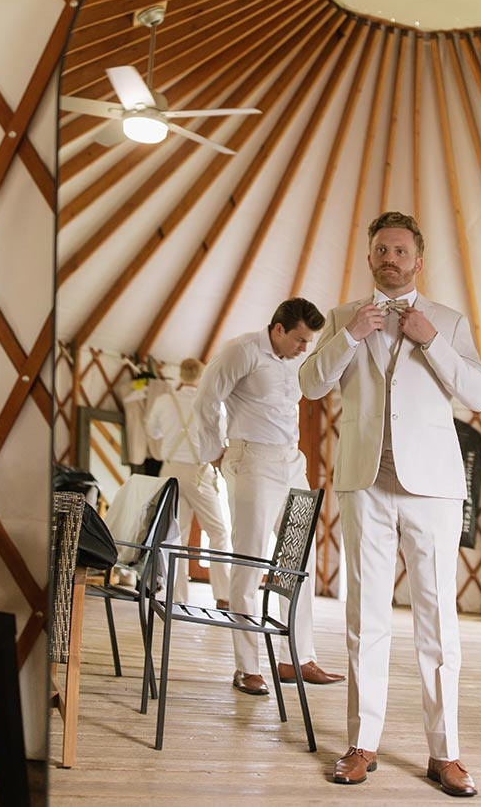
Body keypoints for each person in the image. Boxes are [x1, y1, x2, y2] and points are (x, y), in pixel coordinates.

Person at [299, 212, 481, 797]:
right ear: (369, 258)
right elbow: (309, 384)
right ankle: (362, 743)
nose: (390, 257)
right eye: (381, 248)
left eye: (401, 250)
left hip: (431, 487)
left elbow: (480, 395)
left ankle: (446, 753)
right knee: (365, 618)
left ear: (418, 260)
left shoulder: (450, 322)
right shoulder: (341, 319)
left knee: (438, 622)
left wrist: (430, 340)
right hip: (365, 483)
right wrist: (351, 334)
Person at [194, 298, 345, 696]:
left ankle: (296, 657)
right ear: (278, 329)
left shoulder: (297, 359)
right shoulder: (240, 351)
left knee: (300, 558)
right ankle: (246, 667)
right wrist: (214, 451)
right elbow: (206, 399)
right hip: (252, 460)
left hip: (291, 461)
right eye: (299, 340)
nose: (304, 348)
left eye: (309, 342)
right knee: (250, 560)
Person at [146, 358, 231, 607]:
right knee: (218, 532)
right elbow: (220, 438)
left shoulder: (163, 401)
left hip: (169, 470)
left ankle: (176, 596)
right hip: (198, 471)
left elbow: (153, 432)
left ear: (180, 374)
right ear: (202, 376)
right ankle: (223, 595)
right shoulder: (210, 403)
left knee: (176, 535)